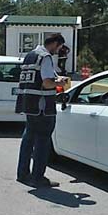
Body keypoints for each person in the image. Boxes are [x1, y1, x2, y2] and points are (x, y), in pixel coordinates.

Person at [15, 33, 67, 188]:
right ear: (55, 43)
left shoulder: (30, 56)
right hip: (42, 106)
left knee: (28, 139)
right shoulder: (45, 57)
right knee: (42, 141)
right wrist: (60, 83)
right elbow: (46, 83)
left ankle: (23, 174)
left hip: (29, 105)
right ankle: (38, 177)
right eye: (59, 47)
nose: (58, 51)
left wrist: (54, 79)